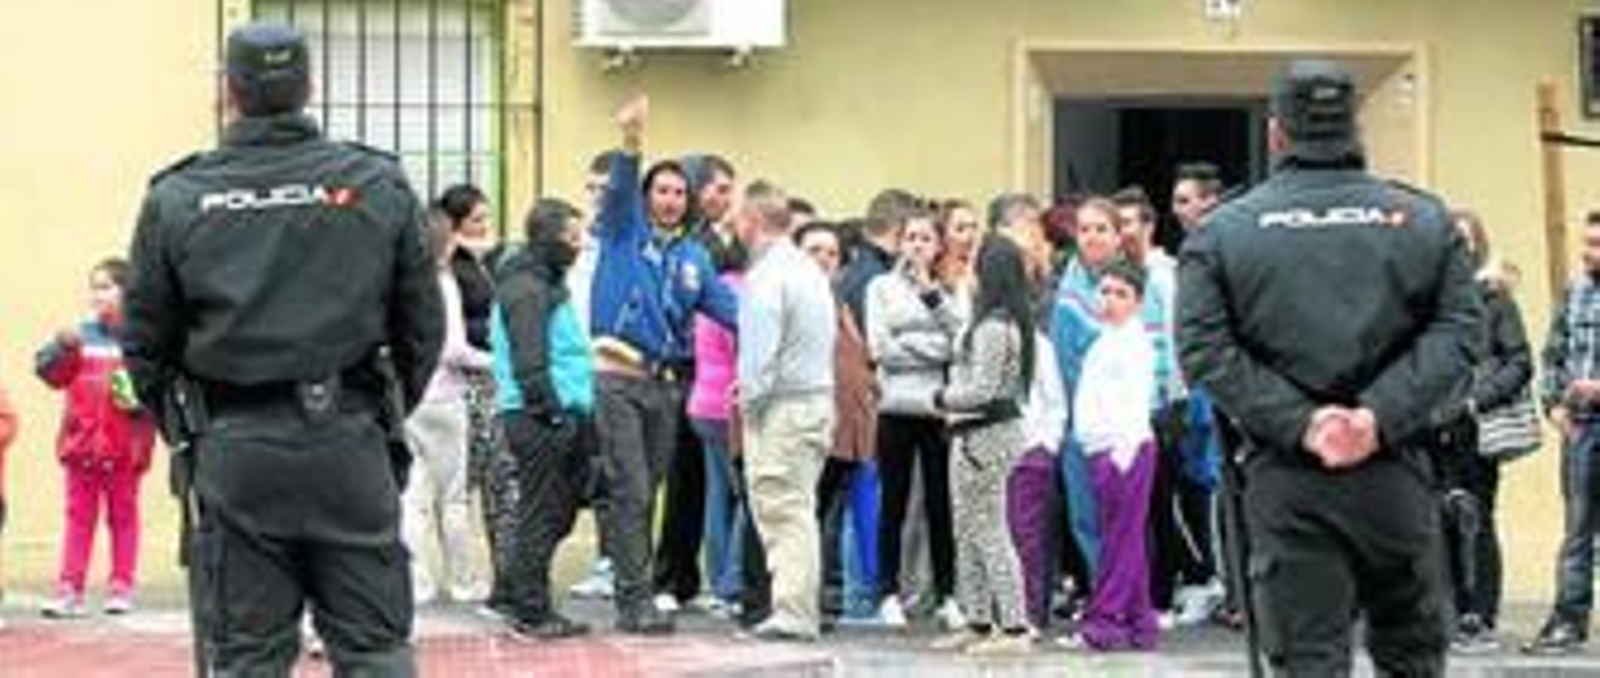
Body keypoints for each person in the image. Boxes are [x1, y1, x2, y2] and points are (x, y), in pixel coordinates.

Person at [123, 22, 443, 674]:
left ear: (227, 91)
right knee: (375, 651)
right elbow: (421, 328)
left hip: (236, 449)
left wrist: (194, 434)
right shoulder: (375, 182)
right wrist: (379, 410)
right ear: (310, 87)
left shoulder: (179, 196)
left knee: (246, 657)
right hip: (350, 439)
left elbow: (145, 345)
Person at [1178, 59, 1480, 676]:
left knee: (1307, 660)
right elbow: (1460, 332)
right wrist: (1377, 417)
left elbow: (1204, 349)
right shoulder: (1424, 220)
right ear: (1355, 127)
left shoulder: (1224, 232)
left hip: (1288, 478)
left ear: (1276, 133)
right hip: (1397, 472)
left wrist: (1304, 423)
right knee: (1414, 658)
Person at [589, 94, 737, 634]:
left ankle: (633, 591)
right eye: (662, 190)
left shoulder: (695, 257)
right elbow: (619, 190)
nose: (671, 200)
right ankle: (635, 602)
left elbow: (731, 311)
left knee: (645, 492)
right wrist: (631, 142)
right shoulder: (621, 232)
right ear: (646, 196)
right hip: (617, 382)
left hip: (666, 388)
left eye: (679, 192)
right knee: (631, 490)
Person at [487, 198, 595, 638]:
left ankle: (514, 593)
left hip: (556, 412)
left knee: (555, 512)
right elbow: (529, 361)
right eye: (571, 236)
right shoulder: (527, 288)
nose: (579, 244)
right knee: (542, 513)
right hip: (540, 417)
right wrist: (552, 415)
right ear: (548, 238)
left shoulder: (542, 282)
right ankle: (530, 610)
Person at [1422, 210, 1529, 654]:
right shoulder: (1426, 299)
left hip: (1475, 427)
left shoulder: (1494, 299)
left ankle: (1480, 613)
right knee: (1435, 519)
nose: (1460, 248)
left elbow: (1519, 361)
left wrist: (1476, 400)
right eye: (1453, 239)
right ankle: (1447, 611)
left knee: (1478, 520)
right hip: (1431, 426)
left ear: (1479, 246)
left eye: (1467, 240)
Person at [735, 180, 837, 640]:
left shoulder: (767, 276)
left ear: (753, 221)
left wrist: (749, 400)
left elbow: (760, 351)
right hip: (816, 401)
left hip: (783, 408)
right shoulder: (808, 269)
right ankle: (798, 608)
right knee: (800, 509)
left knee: (781, 510)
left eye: (740, 217)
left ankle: (794, 613)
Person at [929, 236, 1035, 656]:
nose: (968, 269)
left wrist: (940, 398)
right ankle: (979, 621)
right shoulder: (993, 322)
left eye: (974, 263)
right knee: (969, 529)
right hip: (977, 434)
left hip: (984, 436)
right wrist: (932, 298)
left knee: (988, 529)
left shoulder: (994, 327)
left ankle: (1014, 628)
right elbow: (959, 335)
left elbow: (984, 390)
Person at [34, 258, 156, 618]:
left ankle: (121, 587)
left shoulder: (141, 340)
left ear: (127, 292)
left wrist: (139, 403)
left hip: (126, 450)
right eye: (94, 287)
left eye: (105, 287)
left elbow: (155, 388)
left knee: (124, 519)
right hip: (82, 448)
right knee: (78, 520)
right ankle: (69, 589)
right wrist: (61, 347)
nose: (96, 294)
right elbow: (51, 374)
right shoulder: (80, 336)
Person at [866, 206, 967, 630]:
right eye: (911, 238)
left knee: (942, 505)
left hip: (938, 408)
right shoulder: (880, 287)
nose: (917, 245)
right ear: (899, 243)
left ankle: (947, 594)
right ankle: (888, 593)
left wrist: (929, 297)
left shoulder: (952, 288)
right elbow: (880, 348)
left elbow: (959, 343)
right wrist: (930, 348)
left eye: (926, 238)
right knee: (894, 501)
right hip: (895, 408)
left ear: (938, 245)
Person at [402, 208, 493, 606]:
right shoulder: (444, 283)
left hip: (409, 399)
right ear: (447, 243)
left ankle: (417, 583)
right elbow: (453, 349)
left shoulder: (400, 282)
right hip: (445, 399)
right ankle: (463, 581)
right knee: (453, 498)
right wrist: (496, 363)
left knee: (413, 498)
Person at [1067, 261, 1160, 652]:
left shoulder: (1133, 343)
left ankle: (1104, 622)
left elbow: (1135, 404)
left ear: (1138, 302)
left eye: (1121, 294)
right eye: (1104, 291)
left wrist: (1121, 456)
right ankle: (1141, 623)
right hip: (1103, 449)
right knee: (1125, 538)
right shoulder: (1107, 339)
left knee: (1119, 541)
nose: (1110, 300)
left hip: (1124, 450)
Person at [1524, 210, 1600, 655]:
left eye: (1597, 244)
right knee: (1578, 528)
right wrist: (1552, 405)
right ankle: (1569, 620)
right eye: (1587, 243)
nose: (1588, 252)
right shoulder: (1576, 292)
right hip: (1582, 429)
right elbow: (1552, 355)